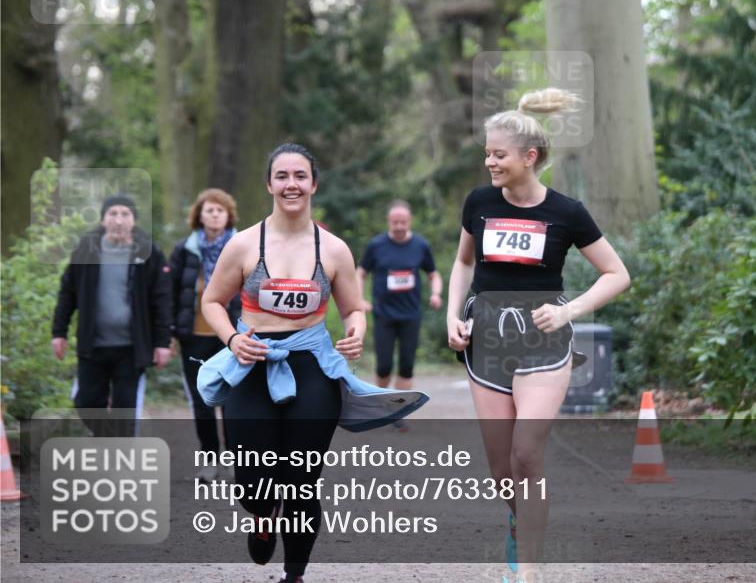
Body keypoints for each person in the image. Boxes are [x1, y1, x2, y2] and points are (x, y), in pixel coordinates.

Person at [198, 143, 425, 583]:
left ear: (314, 184)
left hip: (312, 369)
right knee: (251, 480)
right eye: (282, 176)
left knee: (301, 480)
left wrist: (356, 330)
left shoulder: (334, 249)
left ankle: (294, 575)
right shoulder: (244, 244)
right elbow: (211, 301)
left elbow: (354, 307)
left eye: (300, 176)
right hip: (253, 364)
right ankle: (263, 516)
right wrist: (231, 338)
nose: (291, 184)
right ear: (269, 184)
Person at [446, 89, 631, 583]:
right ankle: (517, 519)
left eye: (498, 154)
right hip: (486, 340)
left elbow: (617, 274)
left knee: (527, 453)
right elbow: (463, 263)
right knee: (501, 465)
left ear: (529, 157)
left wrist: (568, 310)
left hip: (544, 343)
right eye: (487, 153)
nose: (489, 162)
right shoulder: (479, 202)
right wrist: (452, 319)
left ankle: (528, 568)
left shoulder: (567, 213)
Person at [52, 194, 173, 436]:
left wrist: (162, 343)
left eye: (125, 214)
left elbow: (161, 300)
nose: (119, 220)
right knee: (86, 403)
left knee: (124, 410)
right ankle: (109, 438)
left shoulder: (149, 253)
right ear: (103, 219)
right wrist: (59, 332)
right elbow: (68, 292)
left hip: (131, 348)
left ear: (134, 220)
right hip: (93, 345)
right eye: (113, 214)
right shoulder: (86, 250)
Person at [170, 188, 240, 482]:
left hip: (234, 338)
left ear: (228, 216)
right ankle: (210, 460)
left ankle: (241, 462)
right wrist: (170, 333)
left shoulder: (243, 247)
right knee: (202, 402)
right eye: (209, 210)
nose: (214, 214)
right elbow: (170, 293)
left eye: (219, 210)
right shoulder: (184, 251)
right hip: (194, 336)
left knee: (234, 402)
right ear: (199, 215)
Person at [356, 199, 442, 428]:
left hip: (410, 315)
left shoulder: (420, 246)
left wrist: (435, 293)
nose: (399, 226)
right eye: (395, 222)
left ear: (409, 221)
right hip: (383, 314)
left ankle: (397, 412)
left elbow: (434, 274)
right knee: (383, 365)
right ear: (389, 221)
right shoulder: (376, 245)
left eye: (403, 222)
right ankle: (380, 406)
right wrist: (360, 298)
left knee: (406, 365)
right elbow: (361, 272)